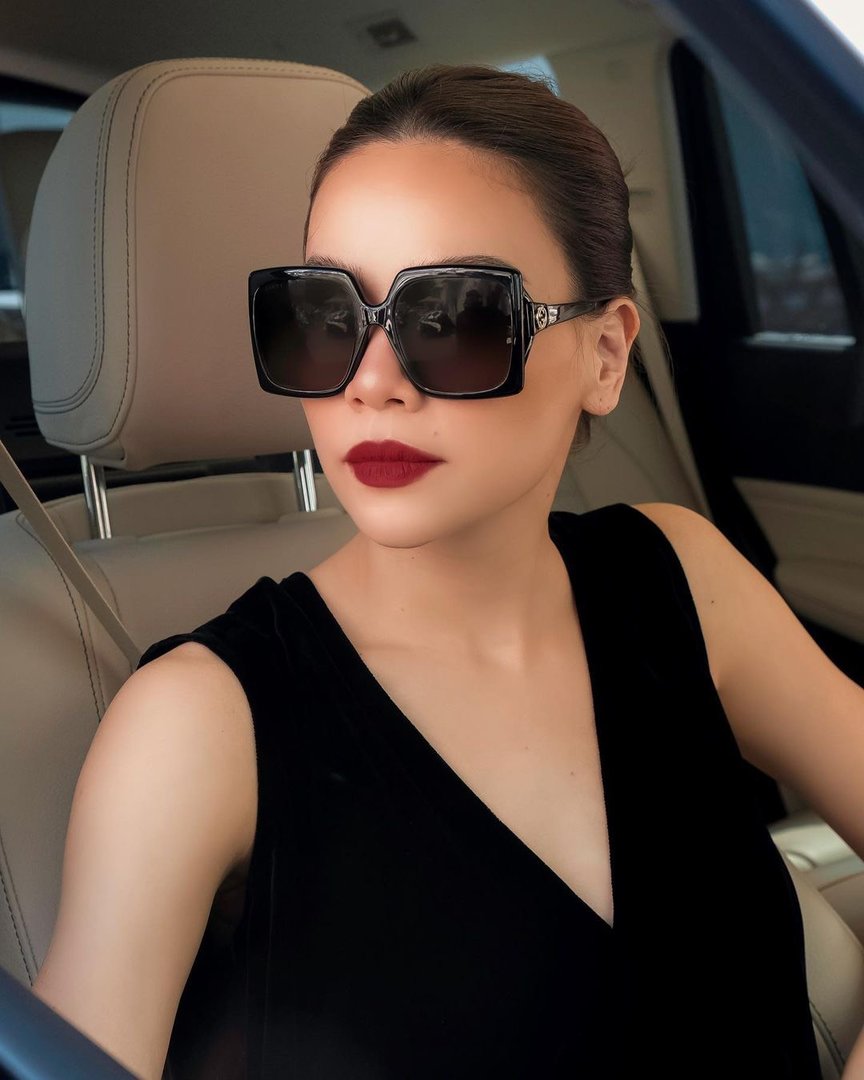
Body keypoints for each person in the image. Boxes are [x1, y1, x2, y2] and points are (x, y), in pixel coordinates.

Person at [30, 63, 864, 1080]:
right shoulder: (196, 723)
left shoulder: (681, 579)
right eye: (324, 316)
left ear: (605, 357)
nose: (373, 381)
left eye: (455, 318)